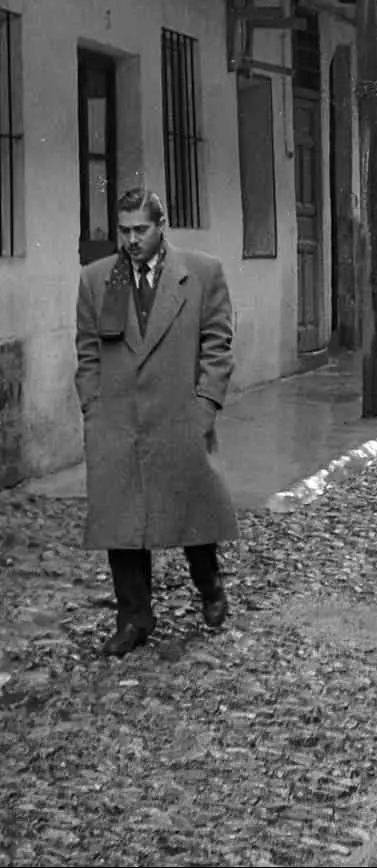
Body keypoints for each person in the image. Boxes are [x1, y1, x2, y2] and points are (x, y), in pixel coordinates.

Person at [74, 187, 238, 658]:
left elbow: (217, 343)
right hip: (119, 421)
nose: (131, 240)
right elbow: (87, 350)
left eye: (140, 229)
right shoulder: (98, 280)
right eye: (123, 230)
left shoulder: (202, 274)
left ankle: (210, 587)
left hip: (179, 414)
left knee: (192, 511)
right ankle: (134, 618)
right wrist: (93, 405)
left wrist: (205, 404)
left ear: (161, 226)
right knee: (122, 523)